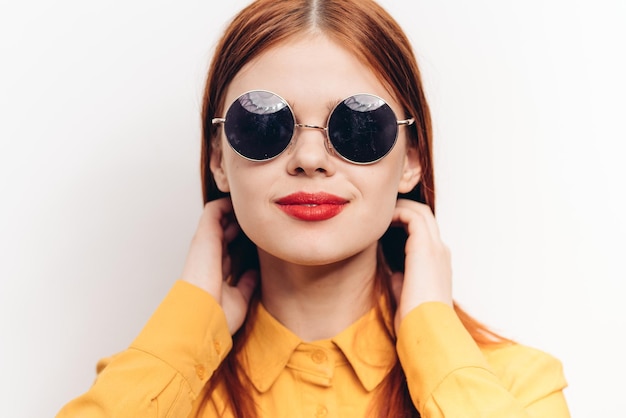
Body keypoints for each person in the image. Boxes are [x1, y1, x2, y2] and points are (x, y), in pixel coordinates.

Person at [57, 0, 570, 416]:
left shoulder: (518, 387)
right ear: (218, 159)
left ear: (411, 159)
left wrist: (432, 337)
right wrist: (188, 325)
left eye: (359, 125)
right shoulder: (155, 384)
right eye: (262, 125)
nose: (308, 159)